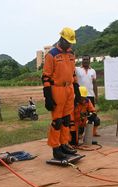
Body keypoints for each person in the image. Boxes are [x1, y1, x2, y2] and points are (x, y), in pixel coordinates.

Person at [42, 27, 81, 160]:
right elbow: (46, 77)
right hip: (57, 90)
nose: (70, 45)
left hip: (69, 89)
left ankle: (64, 144)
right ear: (61, 39)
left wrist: (77, 91)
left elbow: (73, 73)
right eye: (68, 42)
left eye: (71, 43)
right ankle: (56, 148)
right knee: (57, 121)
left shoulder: (71, 54)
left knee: (66, 119)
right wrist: (48, 97)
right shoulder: (51, 55)